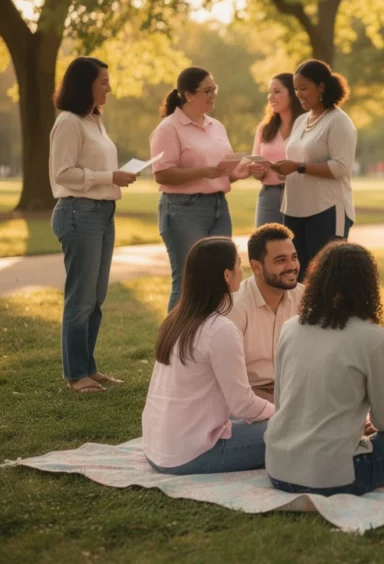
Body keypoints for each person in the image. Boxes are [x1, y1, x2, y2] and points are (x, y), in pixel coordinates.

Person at [266, 242, 384, 495]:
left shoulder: (290, 327)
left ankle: (381, 472)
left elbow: (281, 403)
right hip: (334, 478)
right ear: (368, 286)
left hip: (278, 470)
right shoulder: (375, 338)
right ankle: (379, 474)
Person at [142, 237, 275, 475]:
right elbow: (243, 405)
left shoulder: (176, 320)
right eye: (238, 264)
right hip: (193, 454)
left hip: (158, 447)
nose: (241, 270)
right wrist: (282, 413)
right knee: (295, 429)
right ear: (226, 275)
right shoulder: (220, 330)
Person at [49, 56, 137, 394]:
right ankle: (75, 375)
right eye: (103, 82)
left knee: (96, 296)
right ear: (84, 84)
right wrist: (109, 176)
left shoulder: (94, 120)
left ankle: (89, 367)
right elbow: (62, 173)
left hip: (102, 212)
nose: (109, 88)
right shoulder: (68, 122)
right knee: (80, 297)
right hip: (78, 213)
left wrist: (113, 179)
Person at [150, 67, 241, 312]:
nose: (213, 95)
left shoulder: (216, 126)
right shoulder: (169, 128)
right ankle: (173, 347)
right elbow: (161, 172)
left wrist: (241, 172)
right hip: (184, 210)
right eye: (207, 91)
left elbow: (222, 173)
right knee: (187, 282)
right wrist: (202, 172)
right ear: (189, 95)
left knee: (222, 278)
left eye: (215, 89)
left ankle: (209, 341)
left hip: (219, 207)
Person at [273, 59, 356, 282]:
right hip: (294, 209)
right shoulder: (301, 120)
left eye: (304, 88)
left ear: (321, 87)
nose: (299, 94)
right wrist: (281, 169)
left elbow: (341, 167)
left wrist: (298, 167)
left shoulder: (339, 122)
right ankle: (300, 319)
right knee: (296, 278)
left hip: (327, 210)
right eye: (296, 88)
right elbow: (297, 160)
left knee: (326, 278)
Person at [227, 223, 304, 402]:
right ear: (256, 267)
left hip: (293, 392)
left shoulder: (304, 298)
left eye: (294, 257)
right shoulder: (235, 307)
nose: (292, 266)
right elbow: (229, 383)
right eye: (281, 260)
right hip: (247, 398)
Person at [249, 73, 304, 227]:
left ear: (293, 94)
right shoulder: (264, 129)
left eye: (277, 91)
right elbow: (256, 161)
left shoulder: (306, 126)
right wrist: (257, 172)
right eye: (269, 92)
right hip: (269, 196)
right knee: (264, 245)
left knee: (296, 247)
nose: (271, 97)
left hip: (299, 195)